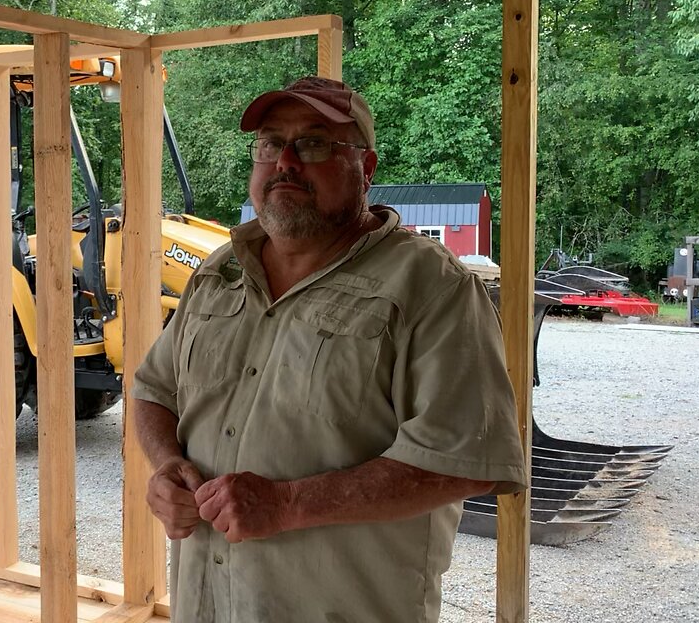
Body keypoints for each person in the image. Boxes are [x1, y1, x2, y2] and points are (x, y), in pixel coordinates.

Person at [130, 77, 528, 622]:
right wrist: (166, 466)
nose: (285, 162)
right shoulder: (219, 271)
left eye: (314, 143)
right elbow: (153, 391)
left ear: (365, 169)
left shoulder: (429, 284)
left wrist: (288, 505)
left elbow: (465, 460)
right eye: (271, 144)